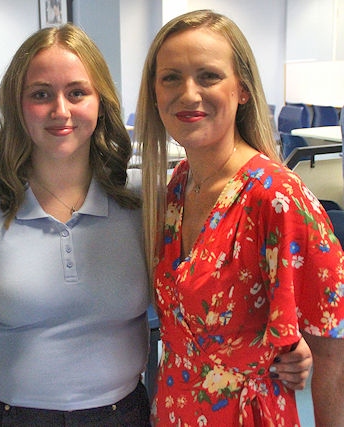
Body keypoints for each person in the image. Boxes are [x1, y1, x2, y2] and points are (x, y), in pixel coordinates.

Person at [0, 23, 152, 426]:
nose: (60, 110)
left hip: (122, 415)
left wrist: (284, 342)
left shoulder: (141, 201)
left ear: (100, 102)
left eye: (77, 92)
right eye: (40, 94)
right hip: (5, 416)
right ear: (18, 105)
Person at [135, 9, 344, 426]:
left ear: (243, 90)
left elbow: (332, 361)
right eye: (171, 77)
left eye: (208, 76)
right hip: (174, 409)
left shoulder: (277, 198)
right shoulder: (177, 187)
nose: (188, 94)